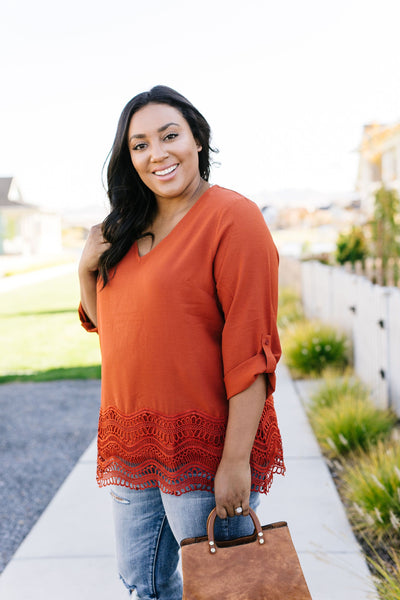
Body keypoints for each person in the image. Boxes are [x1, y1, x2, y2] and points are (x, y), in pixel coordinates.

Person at [78, 85, 285, 599]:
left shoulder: (233, 218)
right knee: (141, 584)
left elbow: (253, 354)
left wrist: (235, 463)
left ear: (196, 140)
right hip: (132, 440)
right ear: (129, 157)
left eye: (170, 136)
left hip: (204, 447)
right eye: (140, 144)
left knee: (221, 591)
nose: (157, 153)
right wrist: (86, 267)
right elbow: (115, 326)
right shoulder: (124, 227)